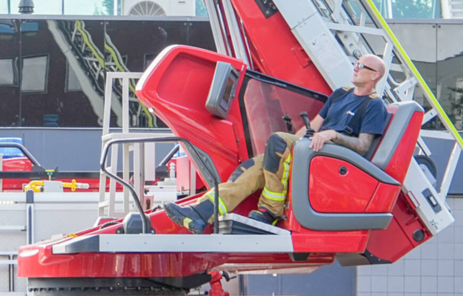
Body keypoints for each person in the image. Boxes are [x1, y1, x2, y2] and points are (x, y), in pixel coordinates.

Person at [163, 54, 390, 233]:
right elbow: (314, 125)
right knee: (255, 166)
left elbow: (363, 146)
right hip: (311, 150)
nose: (356, 68)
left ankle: (270, 210)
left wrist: (334, 135)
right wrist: (295, 146)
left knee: (279, 141)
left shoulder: (374, 105)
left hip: (332, 158)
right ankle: (201, 213)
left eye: (362, 66)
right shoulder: (341, 94)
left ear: (375, 76)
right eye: (356, 63)